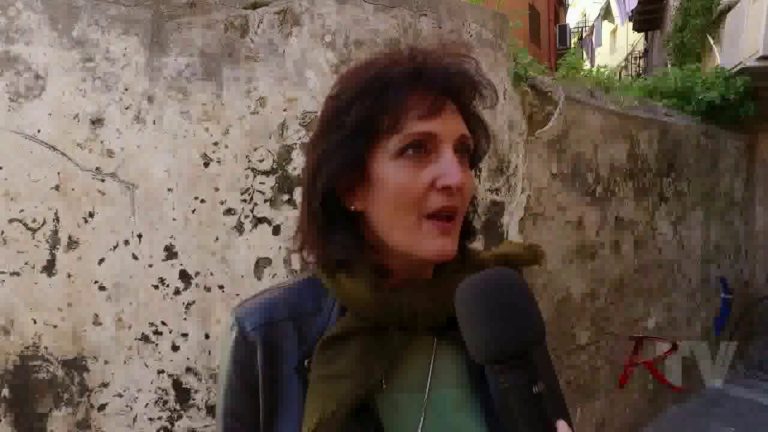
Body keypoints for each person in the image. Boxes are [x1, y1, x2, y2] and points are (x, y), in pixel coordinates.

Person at [217, 43, 573, 432]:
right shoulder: (268, 336)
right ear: (351, 186)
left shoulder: (494, 312)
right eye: (416, 149)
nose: (456, 177)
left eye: (462, 152)